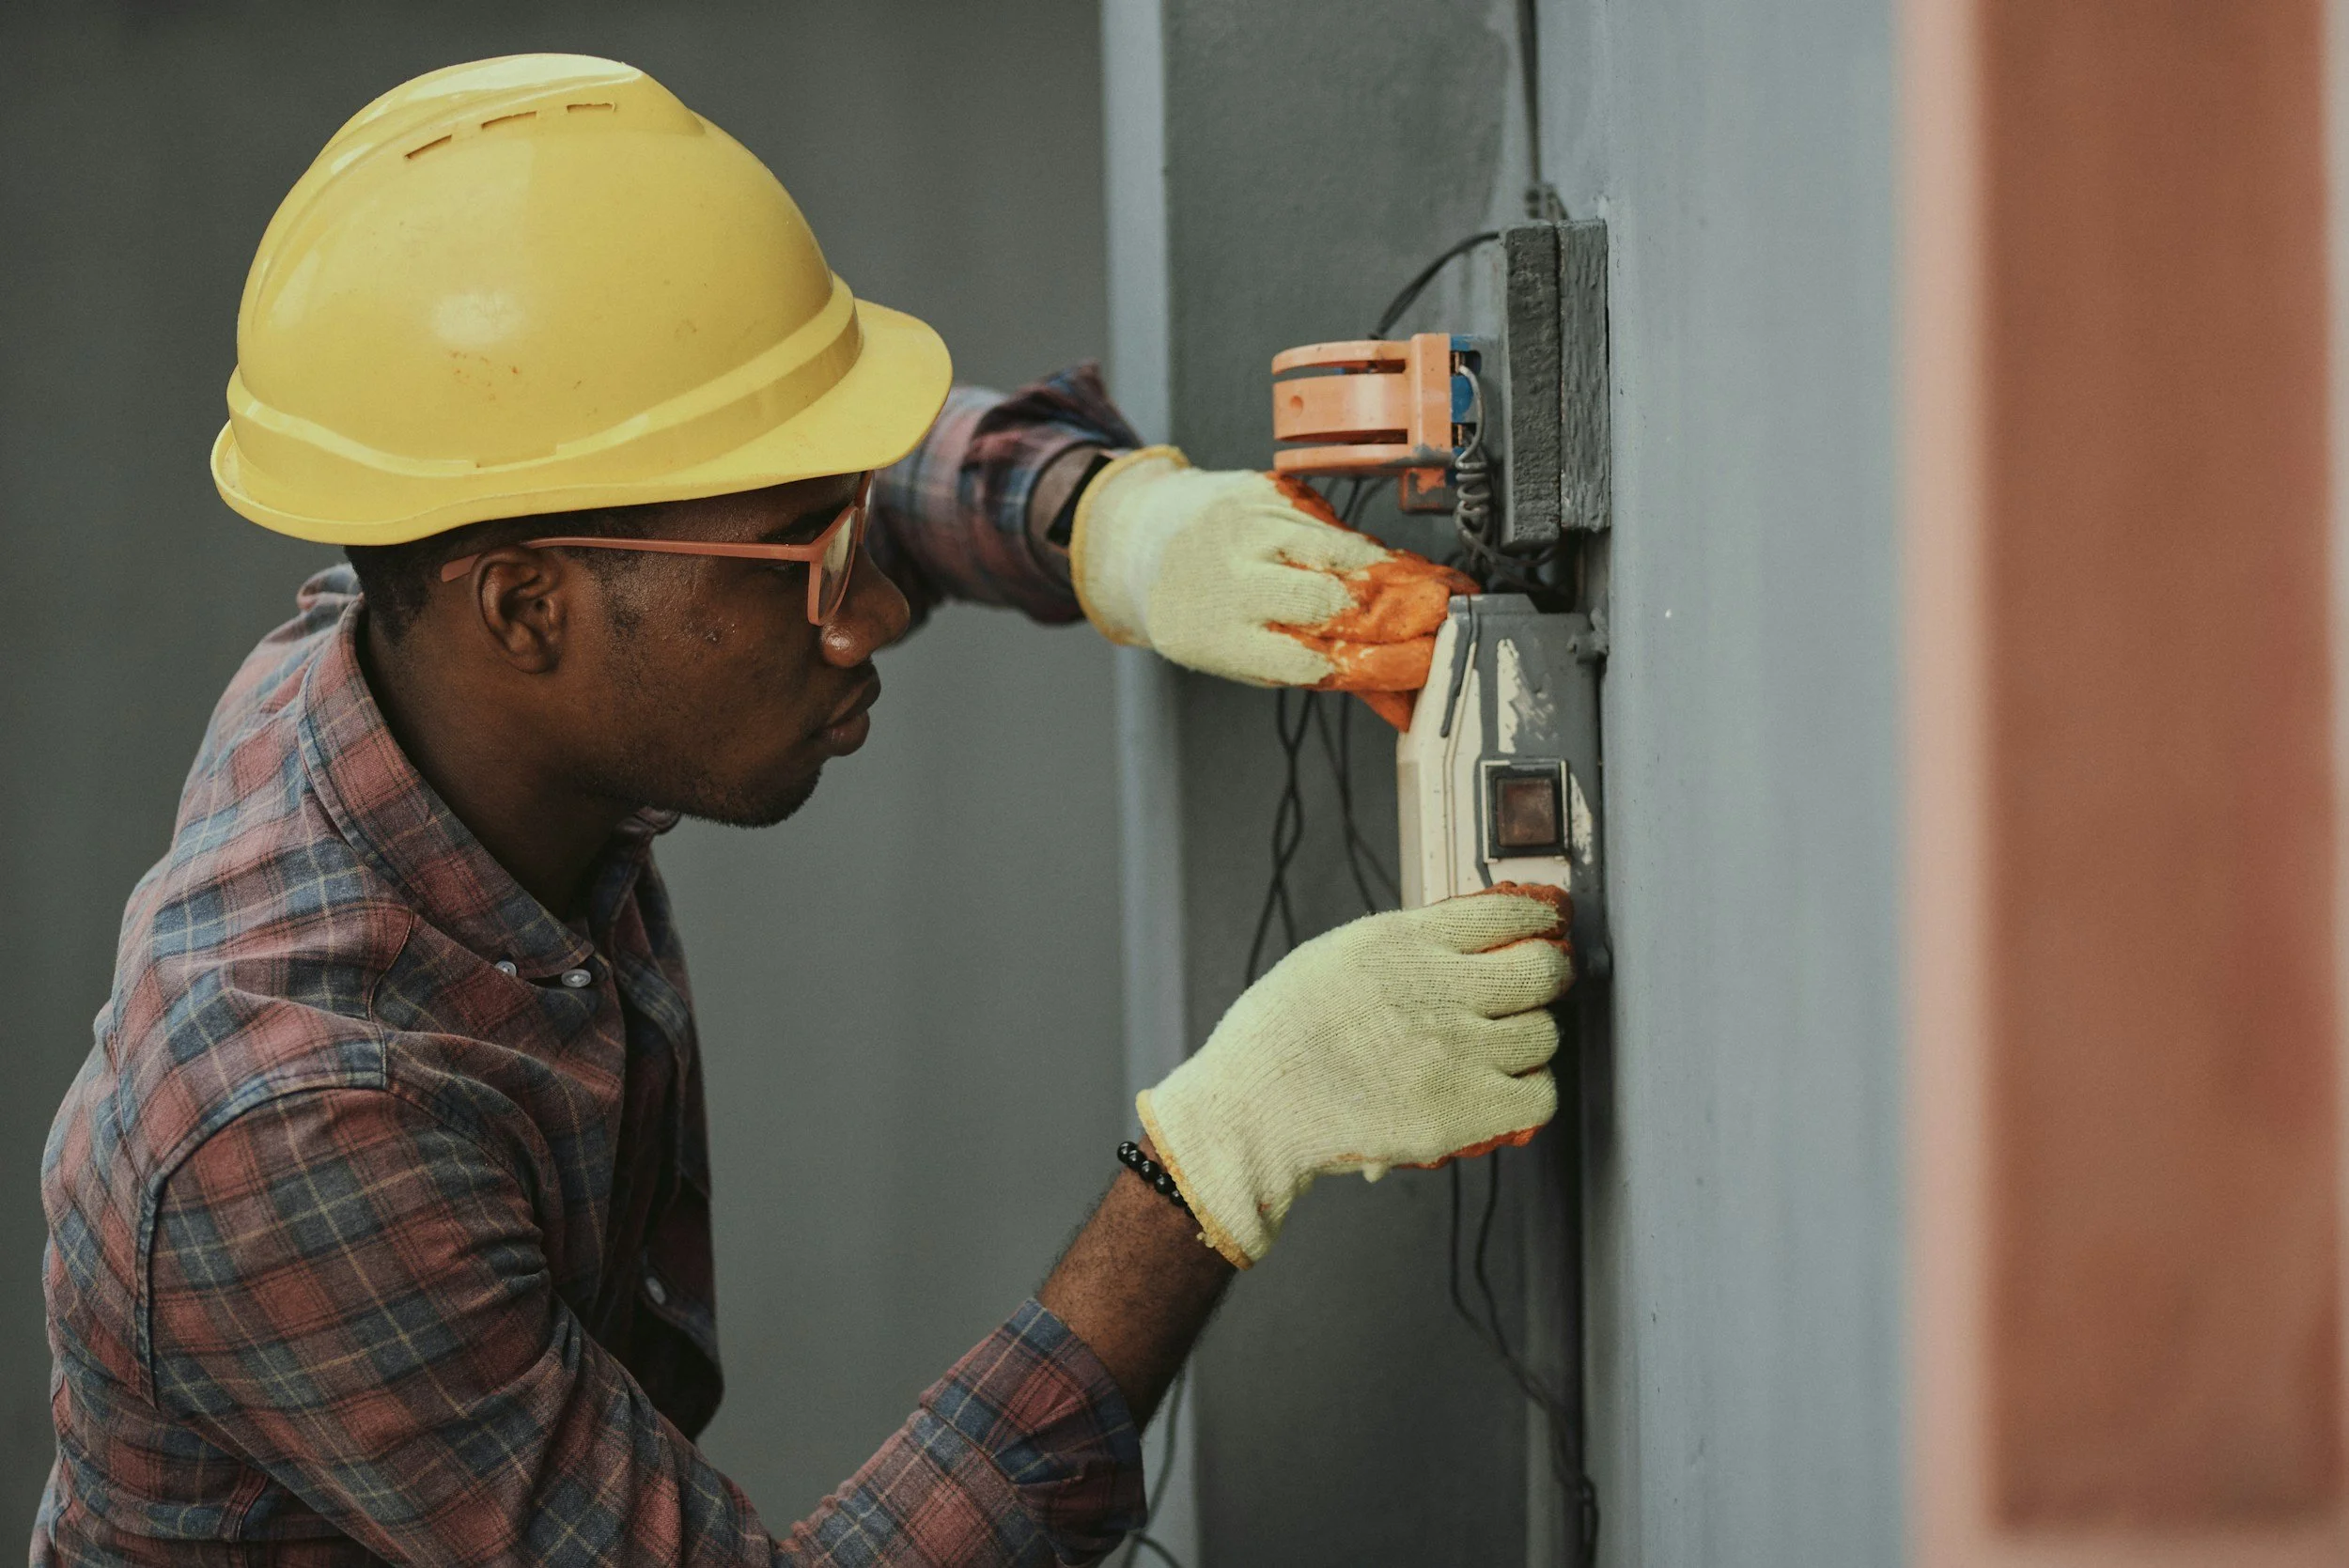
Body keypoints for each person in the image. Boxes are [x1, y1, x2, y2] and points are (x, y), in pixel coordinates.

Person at [35, 55, 1573, 1567]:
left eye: (851, 532)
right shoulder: (293, 1125)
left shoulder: (422, 625)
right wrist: (1218, 1158)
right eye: (809, 567)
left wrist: (1099, 521)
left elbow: (749, 483)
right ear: (522, 610)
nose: (871, 619)